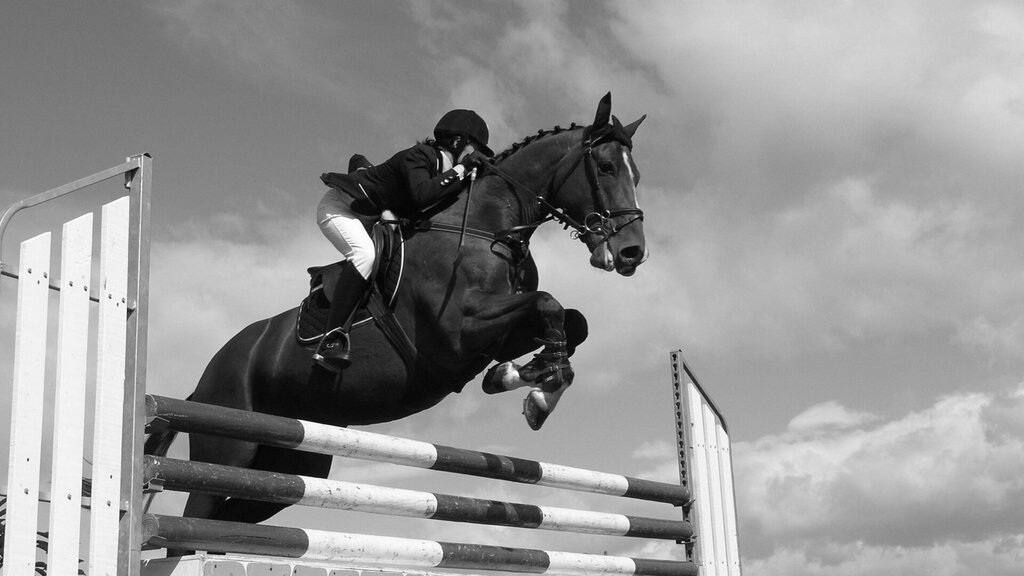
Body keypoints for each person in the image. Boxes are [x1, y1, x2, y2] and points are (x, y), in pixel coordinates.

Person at [314, 109, 494, 372]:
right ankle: (331, 339)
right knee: (364, 255)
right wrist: (463, 168)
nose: (474, 154)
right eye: (474, 147)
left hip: (371, 215)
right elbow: (422, 195)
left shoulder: (449, 170)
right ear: (457, 141)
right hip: (340, 209)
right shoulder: (420, 156)